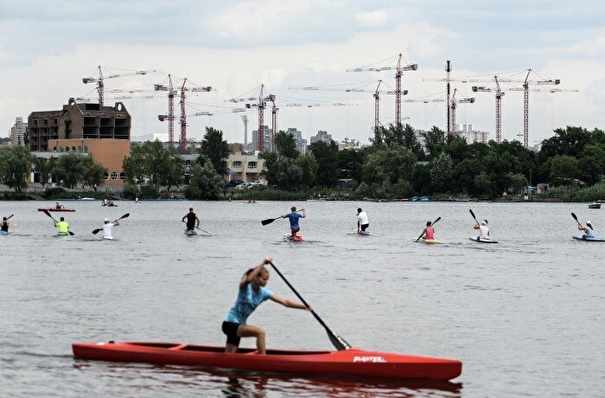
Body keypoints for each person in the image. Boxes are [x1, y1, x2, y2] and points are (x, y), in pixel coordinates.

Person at [222, 255, 310, 355]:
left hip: (238, 326)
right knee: (260, 333)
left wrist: (305, 307)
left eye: (267, 279)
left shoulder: (264, 293)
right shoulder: (245, 287)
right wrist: (263, 262)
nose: (266, 282)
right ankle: (263, 359)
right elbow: (249, 279)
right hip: (230, 324)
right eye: (264, 279)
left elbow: (286, 302)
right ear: (256, 278)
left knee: (229, 357)